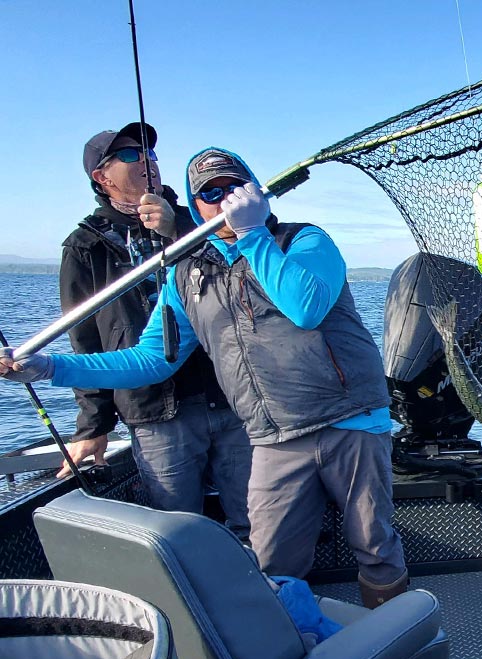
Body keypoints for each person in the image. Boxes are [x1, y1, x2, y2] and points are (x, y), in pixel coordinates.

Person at [3, 147, 409, 607]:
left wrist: (253, 234)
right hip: (273, 437)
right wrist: (52, 367)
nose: (224, 200)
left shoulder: (304, 242)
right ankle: (298, 654)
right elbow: (152, 359)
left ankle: (395, 629)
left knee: (374, 545)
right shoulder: (186, 275)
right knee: (272, 563)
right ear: (196, 207)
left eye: (234, 187)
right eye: (210, 194)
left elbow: (307, 306)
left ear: (255, 192)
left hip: (350, 421)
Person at [61, 122, 251, 538]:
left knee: (256, 520)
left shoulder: (199, 219)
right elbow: (85, 342)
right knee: (177, 530)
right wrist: (93, 427)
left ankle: (265, 597)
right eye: (129, 155)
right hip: (154, 411)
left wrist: (178, 230)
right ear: (102, 177)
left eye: (149, 154)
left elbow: (243, 266)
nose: (146, 160)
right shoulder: (84, 246)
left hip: (231, 396)